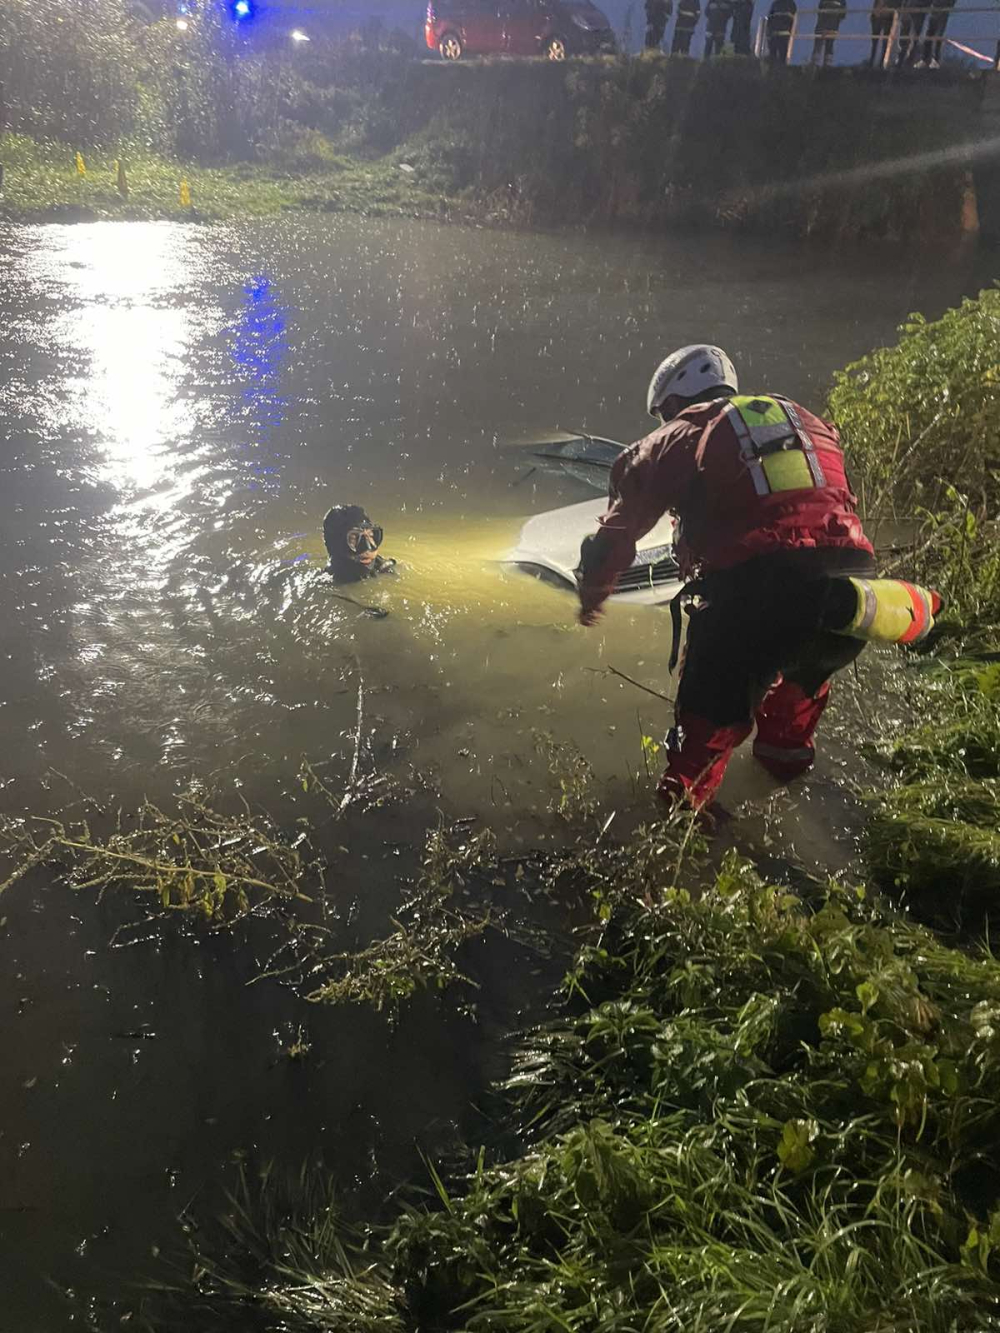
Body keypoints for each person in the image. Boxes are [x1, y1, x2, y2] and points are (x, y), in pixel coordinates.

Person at [575, 345, 880, 811]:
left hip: (756, 592)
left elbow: (616, 534)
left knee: (699, 743)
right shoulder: (807, 420)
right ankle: (790, 793)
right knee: (796, 704)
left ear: (673, 404)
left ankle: (685, 852)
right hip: (853, 588)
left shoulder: (678, 433)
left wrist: (593, 592)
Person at [323, 505, 396, 581]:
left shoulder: (384, 566)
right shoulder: (327, 582)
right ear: (336, 546)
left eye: (371, 535)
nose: (368, 549)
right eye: (354, 538)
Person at [922, 0, 956, 67]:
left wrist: (948, 6)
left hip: (943, 11)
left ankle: (935, 60)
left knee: (938, 36)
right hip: (935, 10)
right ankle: (925, 59)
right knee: (929, 35)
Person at [811, 0, 846, 64]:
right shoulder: (842, 1)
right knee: (829, 45)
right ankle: (827, 64)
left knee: (819, 44)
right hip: (833, 25)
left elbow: (819, 10)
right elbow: (842, 15)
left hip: (822, 25)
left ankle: (815, 63)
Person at [896, 0, 927, 64]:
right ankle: (902, 58)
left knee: (914, 36)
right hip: (909, 10)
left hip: (918, 11)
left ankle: (909, 59)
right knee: (905, 35)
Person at [869, 0, 897, 66]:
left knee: (884, 41)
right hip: (878, 15)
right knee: (875, 40)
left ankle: (881, 62)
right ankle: (872, 60)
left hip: (886, 16)